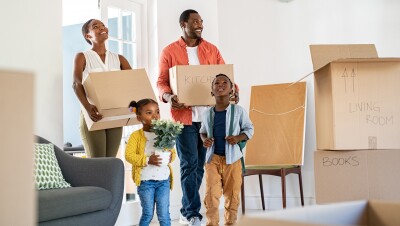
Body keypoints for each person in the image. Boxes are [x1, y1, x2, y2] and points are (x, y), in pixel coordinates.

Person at [156, 9, 239, 226]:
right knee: (189, 164)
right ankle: (191, 212)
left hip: (209, 118)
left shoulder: (211, 49)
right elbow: (161, 82)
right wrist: (168, 96)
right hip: (184, 117)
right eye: (195, 22)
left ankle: (188, 210)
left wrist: (234, 88)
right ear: (183, 24)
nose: (200, 24)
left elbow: (226, 75)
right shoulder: (169, 51)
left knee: (201, 163)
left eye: (201, 21)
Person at [72, 19, 132, 158]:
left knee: (110, 162)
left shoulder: (119, 59)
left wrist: (133, 109)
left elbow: (132, 84)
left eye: (103, 25)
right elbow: (76, 83)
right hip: (93, 114)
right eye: (96, 27)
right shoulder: (82, 56)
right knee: (97, 163)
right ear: (88, 36)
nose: (102, 28)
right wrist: (87, 106)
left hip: (115, 115)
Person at [200, 74, 254, 226]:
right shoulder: (207, 114)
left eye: (225, 83)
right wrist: (205, 140)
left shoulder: (238, 111)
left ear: (231, 90)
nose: (221, 85)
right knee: (211, 194)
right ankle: (212, 223)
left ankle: (230, 223)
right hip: (213, 159)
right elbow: (202, 131)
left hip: (233, 160)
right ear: (212, 91)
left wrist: (238, 138)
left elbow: (249, 129)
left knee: (232, 195)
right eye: (217, 83)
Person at [125, 98, 176, 226]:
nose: (155, 116)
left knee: (164, 215)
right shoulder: (136, 136)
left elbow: (172, 152)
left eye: (157, 112)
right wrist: (148, 160)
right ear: (139, 117)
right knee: (148, 214)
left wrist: (171, 156)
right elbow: (129, 155)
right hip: (145, 182)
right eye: (149, 113)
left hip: (163, 181)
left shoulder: (164, 132)